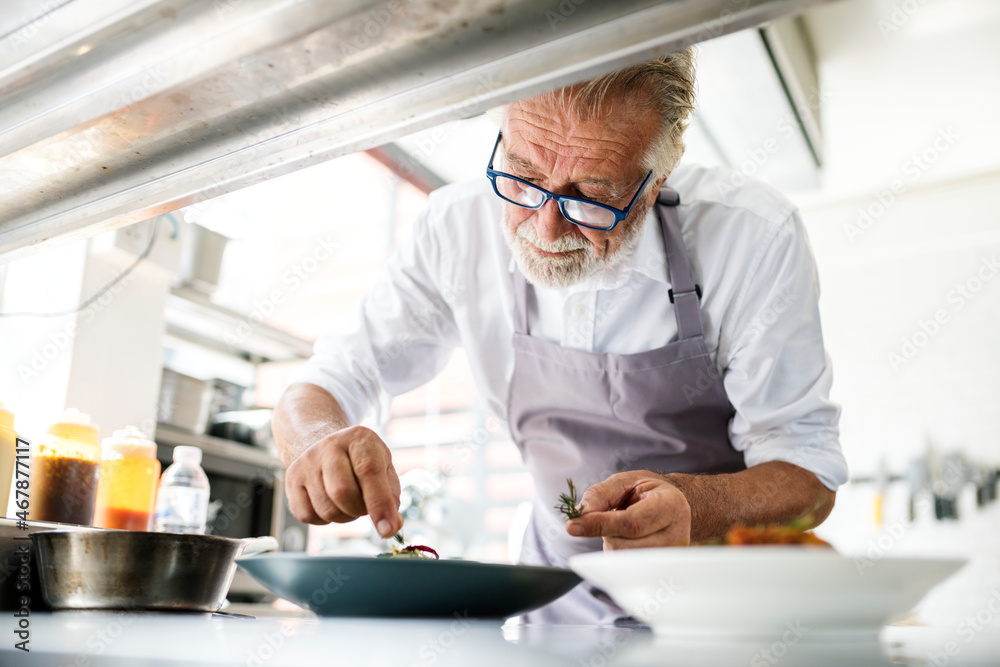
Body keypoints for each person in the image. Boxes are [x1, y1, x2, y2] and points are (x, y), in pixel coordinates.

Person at [272, 48, 848, 624]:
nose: (545, 226)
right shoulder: (456, 230)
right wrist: (317, 440)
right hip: (551, 616)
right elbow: (327, 381)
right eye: (523, 177)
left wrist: (696, 505)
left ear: (654, 183)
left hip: (719, 626)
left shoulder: (752, 237)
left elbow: (809, 476)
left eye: (589, 195)